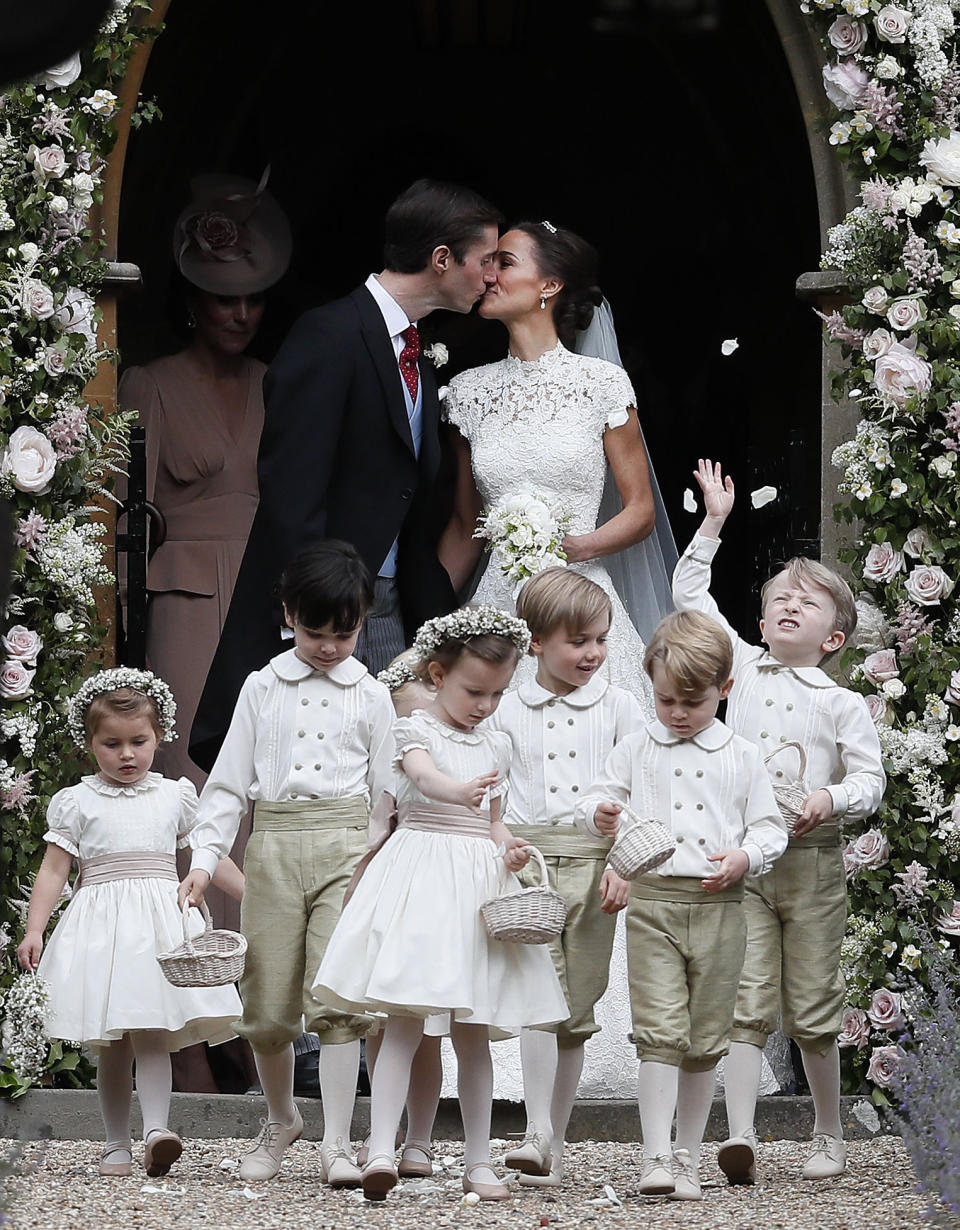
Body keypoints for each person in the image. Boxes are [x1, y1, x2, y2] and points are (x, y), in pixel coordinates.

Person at [190, 179, 503, 772]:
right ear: (442, 260)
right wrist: (314, 620)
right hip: (332, 613)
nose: (491, 276)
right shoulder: (329, 335)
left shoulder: (417, 351)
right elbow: (291, 493)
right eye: (485, 260)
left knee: (401, 782)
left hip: (395, 607)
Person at [673, 459, 886, 1184]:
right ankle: (740, 1135)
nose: (790, 605)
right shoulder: (741, 667)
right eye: (779, 600)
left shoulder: (840, 704)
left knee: (815, 1002)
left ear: (835, 637)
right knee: (745, 995)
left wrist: (831, 799)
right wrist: (714, 522)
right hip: (747, 859)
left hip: (815, 860)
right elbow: (688, 594)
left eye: (809, 602)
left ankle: (828, 1132)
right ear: (760, 623)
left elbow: (870, 779)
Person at [312, 606, 569, 1202]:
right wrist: (459, 790)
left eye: (498, 694)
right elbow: (425, 780)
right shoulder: (415, 730)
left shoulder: (497, 742)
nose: (484, 705)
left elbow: (496, 825)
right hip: (423, 873)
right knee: (403, 1020)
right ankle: (380, 1147)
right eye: (474, 690)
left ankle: (478, 1158)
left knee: (473, 1031)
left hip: (477, 883)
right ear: (436, 675)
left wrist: (511, 849)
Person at [179, 541, 395, 1187]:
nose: (329, 647)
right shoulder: (262, 686)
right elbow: (226, 785)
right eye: (313, 632)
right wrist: (203, 857)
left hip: (345, 851)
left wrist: (377, 862)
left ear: (362, 621)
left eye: (345, 633)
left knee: (335, 1001)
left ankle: (335, 1141)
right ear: (288, 615)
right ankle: (280, 1120)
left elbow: (388, 794)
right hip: (272, 847)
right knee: (269, 1009)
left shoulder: (372, 693)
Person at [576, 611, 787, 1201]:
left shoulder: (741, 755)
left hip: (721, 906)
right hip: (654, 905)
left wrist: (746, 856)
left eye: (692, 702)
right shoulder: (638, 746)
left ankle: (690, 1155)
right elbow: (598, 794)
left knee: (705, 1036)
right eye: (666, 699)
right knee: (660, 1031)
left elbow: (771, 827)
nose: (677, 713)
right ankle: (655, 1155)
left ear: (725, 690)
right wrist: (600, 814)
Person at [438, 219, 675, 712]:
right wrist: (434, 621)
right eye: (488, 264)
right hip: (497, 606)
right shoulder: (465, 394)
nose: (488, 275)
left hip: (579, 601)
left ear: (549, 285)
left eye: (504, 263)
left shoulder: (602, 385)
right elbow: (466, 525)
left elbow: (640, 511)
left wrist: (569, 549)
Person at [16, 669, 242, 1178]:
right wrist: (35, 928)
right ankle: (116, 1142)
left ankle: (157, 1130)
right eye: (111, 743)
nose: (126, 755)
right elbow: (54, 870)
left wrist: (251, 895)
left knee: (153, 1030)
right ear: (90, 743)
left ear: (158, 737)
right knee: (111, 1043)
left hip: (159, 928)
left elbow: (209, 852)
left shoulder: (174, 796)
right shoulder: (77, 801)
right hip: (102, 930)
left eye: (138, 742)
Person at [118, 171, 292, 794]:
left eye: (254, 298)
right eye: (225, 299)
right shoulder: (151, 383)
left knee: (271, 767)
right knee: (187, 768)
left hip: (267, 594)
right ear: (192, 301)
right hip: (185, 598)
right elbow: (123, 513)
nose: (241, 313)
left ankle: (260, 896)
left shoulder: (276, 382)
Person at [485, 568, 640, 1188]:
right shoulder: (507, 711)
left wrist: (624, 852)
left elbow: (639, 786)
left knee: (577, 1004)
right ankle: (535, 1132)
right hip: (534, 867)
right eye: (578, 641)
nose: (593, 653)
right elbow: (494, 795)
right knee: (539, 1000)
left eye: (600, 639)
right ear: (535, 643)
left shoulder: (621, 706)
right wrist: (502, 847)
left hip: (598, 863)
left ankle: (555, 1135)